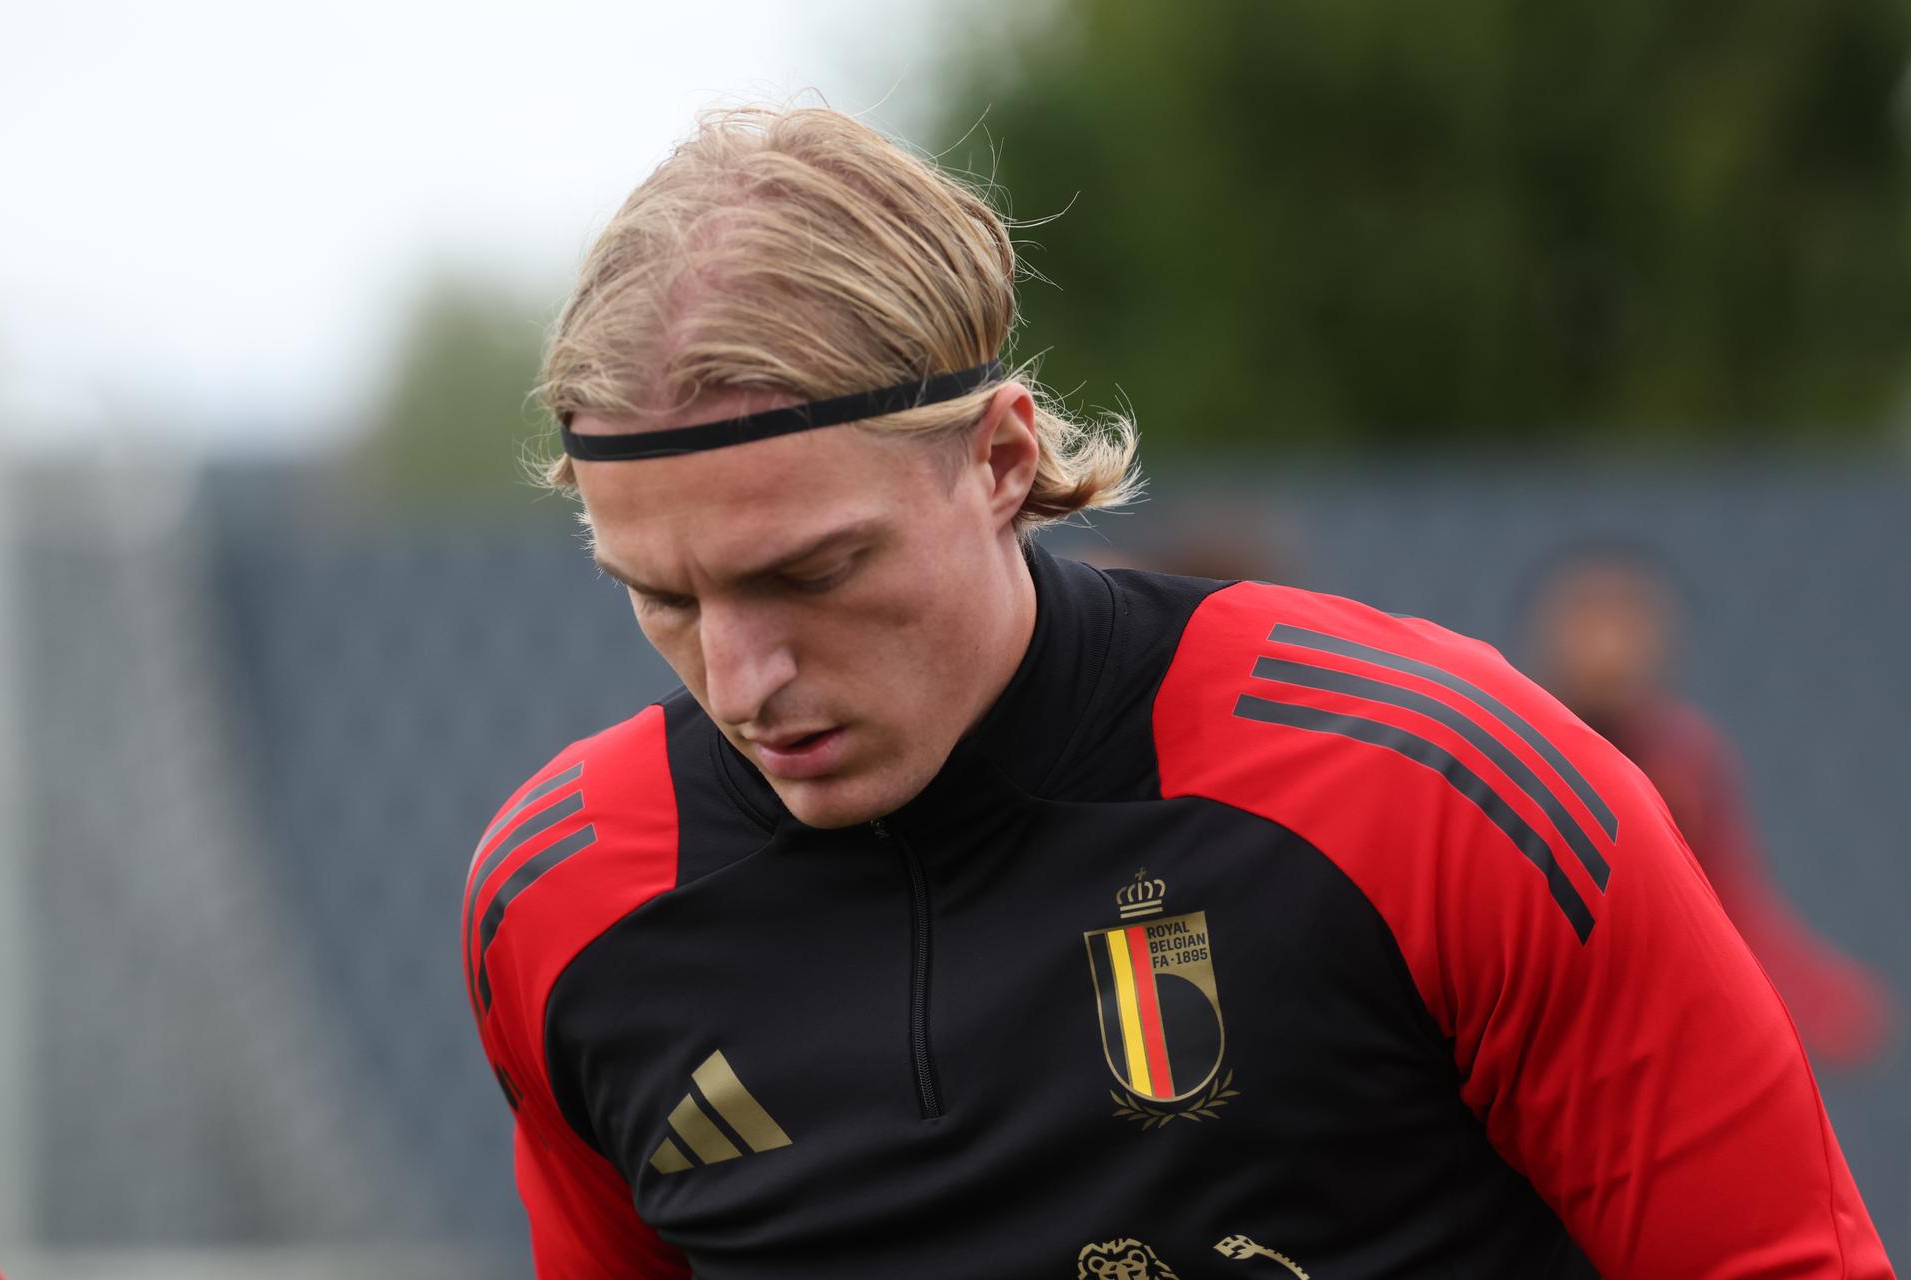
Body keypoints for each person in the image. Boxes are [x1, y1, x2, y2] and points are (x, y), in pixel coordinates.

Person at [461, 105, 1893, 1278]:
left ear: (1003, 460)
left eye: (815, 571)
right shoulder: (561, 899)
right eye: (664, 598)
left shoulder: (1431, 788)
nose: (743, 678)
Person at [1525, 543, 1895, 1070]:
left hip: (1653, 1048)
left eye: (1628, 618)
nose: (1608, 643)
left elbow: (1734, 907)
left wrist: (1818, 997)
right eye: (1589, 617)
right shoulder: (1514, 753)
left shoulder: (1688, 760)